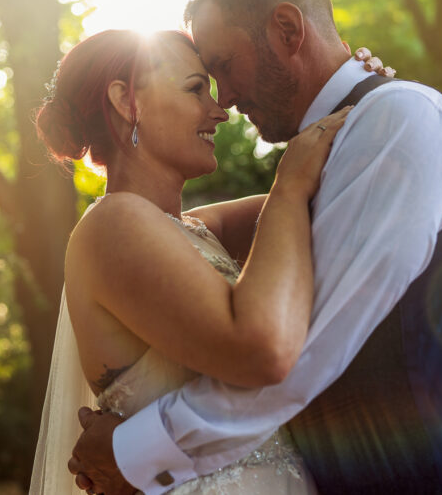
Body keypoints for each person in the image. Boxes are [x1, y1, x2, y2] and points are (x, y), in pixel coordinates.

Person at [69, 0, 442, 495]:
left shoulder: (397, 119)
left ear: (288, 29)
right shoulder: (324, 157)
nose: (225, 101)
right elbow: (168, 233)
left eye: (221, 69)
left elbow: (305, 347)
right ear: (127, 104)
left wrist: (136, 452)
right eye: (199, 85)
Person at [29, 27, 368, 494]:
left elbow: (331, 189)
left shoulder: (193, 229)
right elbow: (253, 347)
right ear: (128, 102)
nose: (220, 111)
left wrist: (360, 85)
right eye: (194, 89)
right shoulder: (113, 223)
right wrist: (289, 184)